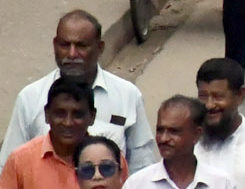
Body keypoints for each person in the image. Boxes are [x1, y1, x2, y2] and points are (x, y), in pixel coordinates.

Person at [2, 9, 153, 170]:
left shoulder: (127, 95)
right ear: (55, 45)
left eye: (81, 46)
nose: (72, 54)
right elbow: (9, 167)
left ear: (100, 48)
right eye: (65, 45)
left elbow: (142, 167)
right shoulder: (30, 98)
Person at [121, 96, 234, 189]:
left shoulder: (223, 185)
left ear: (196, 134)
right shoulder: (135, 186)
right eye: (160, 130)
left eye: (174, 131)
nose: (163, 138)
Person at [195, 57, 245, 188]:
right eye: (203, 96)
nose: (209, 105)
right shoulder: (189, 142)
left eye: (218, 97)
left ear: (240, 95)